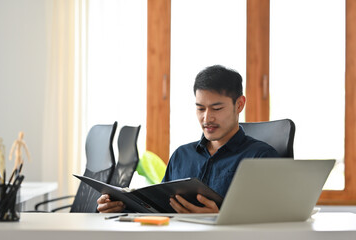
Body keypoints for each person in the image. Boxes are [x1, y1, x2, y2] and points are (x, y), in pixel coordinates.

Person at [97, 65, 279, 213]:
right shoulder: (181, 155)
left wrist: (219, 218)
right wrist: (121, 207)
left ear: (239, 105)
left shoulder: (262, 158)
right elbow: (159, 208)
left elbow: (275, 220)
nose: (207, 118)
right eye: (200, 108)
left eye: (216, 109)